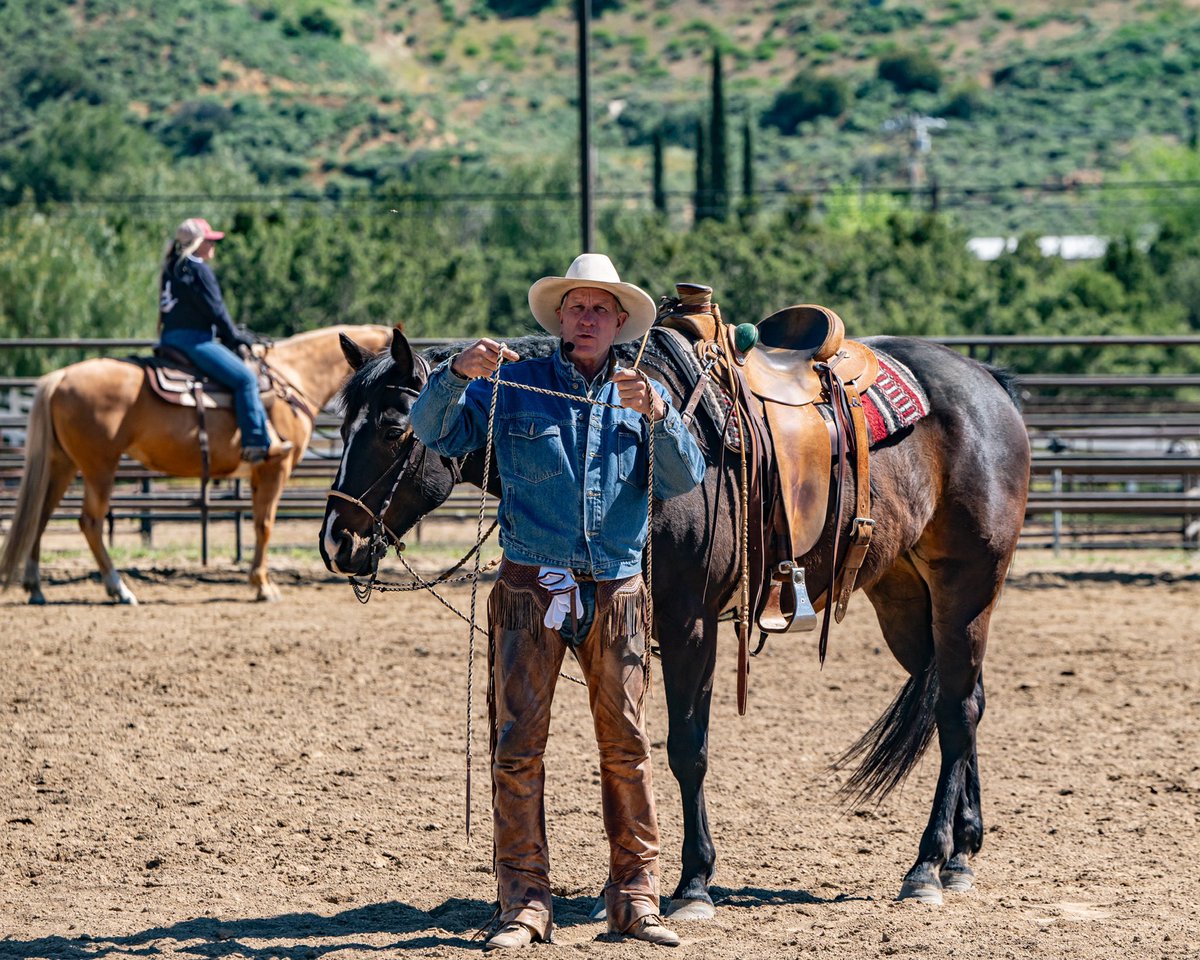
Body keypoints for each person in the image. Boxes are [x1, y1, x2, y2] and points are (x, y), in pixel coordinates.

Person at [410, 253, 707, 952]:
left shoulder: (642, 394)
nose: (587, 317)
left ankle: (636, 898)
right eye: (576, 306)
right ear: (560, 317)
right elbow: (432, 431)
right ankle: (524, 903)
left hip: (617, 588)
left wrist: (660, 417)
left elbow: (684, 477)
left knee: (627, 747)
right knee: (517, 747)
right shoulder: (511, 382)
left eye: (600, 308)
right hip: (527, 588)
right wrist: (454, 376)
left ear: (618, 322)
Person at [158, 217, 292, 463]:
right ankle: (256, 443)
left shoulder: (172, 267)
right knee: (245, 379)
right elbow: (216, 311)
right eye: (209, 240)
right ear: (197, 243)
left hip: (169, 339)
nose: (213, 245)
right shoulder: (198, 269)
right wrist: (235, 336)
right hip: (195, 341)